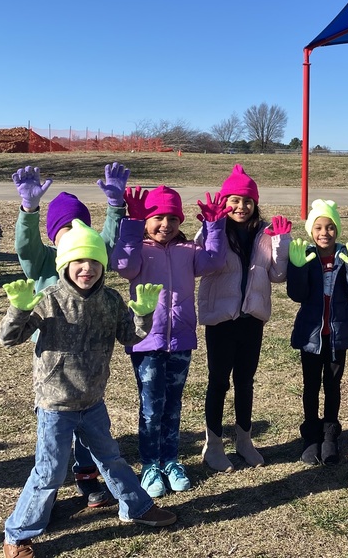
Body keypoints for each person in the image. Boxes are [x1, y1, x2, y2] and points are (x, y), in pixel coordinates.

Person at [0, 220, 176, 558]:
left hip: (93, 401)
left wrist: (143, 316)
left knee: (111, 458)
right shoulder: (48, 299)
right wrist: (18, 310)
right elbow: (9, 338)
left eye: (95, 261)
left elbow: (131, 337)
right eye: (79, 261)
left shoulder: (109, 300)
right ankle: (18, 534)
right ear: (65, 264)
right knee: (49, 471)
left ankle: (136, 508)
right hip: (56, 405)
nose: (87, 268)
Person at [10, 162, 131, 508]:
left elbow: (109, 239)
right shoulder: (44, 261)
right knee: (59, 420)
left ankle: (86, 474)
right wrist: (29, 210)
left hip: (89, 353)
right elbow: (25, 246)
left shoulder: (92, 258)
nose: (73, 231)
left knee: (88, 418)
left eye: (80, 225)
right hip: (53, 355)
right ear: (53, 235)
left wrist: (115, 207)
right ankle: (48, 479)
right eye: (64, 228)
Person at [111, 186, 231, 498]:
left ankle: (170, 460)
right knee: (152, 407)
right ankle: (150, 465)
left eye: (173, 218)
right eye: (158, 217)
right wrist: (132, 225)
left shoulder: (188, 251)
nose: (166, 224)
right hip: (146, 341)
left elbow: (214, 262)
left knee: (173, 405)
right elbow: (122, 265)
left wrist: (215, 226)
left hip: (180, 340)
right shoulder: (139, 251)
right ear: (147, 220)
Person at [195, 164, 291, 471]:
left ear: (255, 203)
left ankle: (244, 440)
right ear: (224, 202)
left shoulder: (264, 233)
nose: (241, 206)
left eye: (247, 200)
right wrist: (211, 227)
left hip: (252, 318)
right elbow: (205, 263)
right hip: (221, 319)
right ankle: (213, 444)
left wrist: (281, 242)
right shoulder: (213, 228)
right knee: (218, 381)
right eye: (234, 200)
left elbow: (278, 274)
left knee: (245, 381)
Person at [286, 199, 348, 465]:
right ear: (311, 230)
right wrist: (297, 268)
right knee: (310, 387)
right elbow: (297, 295)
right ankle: (311, 436)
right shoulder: (306, 256)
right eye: (319, 227)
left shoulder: (345, 255)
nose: (325, 233)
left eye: (330, 227)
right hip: (311, 336)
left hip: (337, 336)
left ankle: (330, 436)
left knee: (333, 386)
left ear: (337, 230)